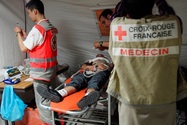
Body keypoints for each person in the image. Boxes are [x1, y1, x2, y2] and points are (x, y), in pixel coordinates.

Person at [107, 0, 183, 125]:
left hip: (131, 103)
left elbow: (117, 13)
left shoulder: (116, 26)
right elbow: (169, 13)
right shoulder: (174, 23)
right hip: (164, 99)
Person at [14, 0, 61, 124]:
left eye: (29, 13)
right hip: (51, 71)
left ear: (35, 11)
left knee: (43, 105)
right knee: (51, 103)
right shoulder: (50, 27)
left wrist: (18, 34)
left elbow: (23, 48)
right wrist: (27, 36)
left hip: (41, 74)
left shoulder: (38, 28)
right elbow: (41, 43)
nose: (29, 16)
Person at [38, 54, 113, 109]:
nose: (99, 54)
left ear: (104, 57)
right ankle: (58, 94)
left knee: (95, 81)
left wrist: (106, 67)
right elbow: (82, 66)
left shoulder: (107, 62)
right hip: (87, 72)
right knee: (77, 80)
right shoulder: (91, 61)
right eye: (98, 55)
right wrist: (88, 67)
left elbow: (113, 67)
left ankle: (88, 96)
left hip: (101, 72)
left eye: (101, 55)